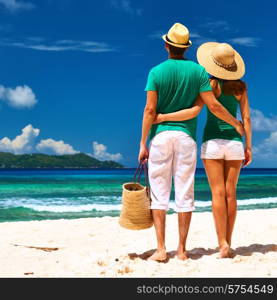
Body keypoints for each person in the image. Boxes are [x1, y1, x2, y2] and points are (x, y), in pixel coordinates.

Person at [138, 23, 244, 262]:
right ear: (185, 48)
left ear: (166, 45)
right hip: (186, 138)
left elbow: (149, 110)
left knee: (159, 193)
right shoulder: (198, 73)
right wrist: (236, 123)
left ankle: (162, 248)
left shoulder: (155, 72)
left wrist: (143, 142)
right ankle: (182, 250)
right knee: (185, 192)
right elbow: (210, 106)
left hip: (161, 136)